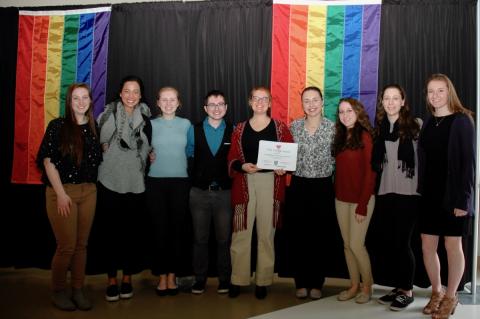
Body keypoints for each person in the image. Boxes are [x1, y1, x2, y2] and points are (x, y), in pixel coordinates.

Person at [36, 83, 102, 311]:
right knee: (66, 246)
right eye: (76, 98)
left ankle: (77, 288)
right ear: (69, 102)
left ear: (91, 101)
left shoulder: (95, 127)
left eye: (85, 97)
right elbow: (47, 161)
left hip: (89, 192)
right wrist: (61, 194)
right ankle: (58, 290)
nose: (81, 102)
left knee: (81, 245)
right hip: (62, 192)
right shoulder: (58, 126)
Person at [227, 86, 293, 299]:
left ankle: (263, 280)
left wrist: (284, 167)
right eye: (256, 98)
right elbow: (231, 158)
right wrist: (241, 166)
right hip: (244, 183)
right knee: (241, 233)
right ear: (250, 102)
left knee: (266, 234)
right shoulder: (239, 129)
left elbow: (289, 156)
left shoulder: (280, 128)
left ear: (271, 102)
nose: (260, 102)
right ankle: (238, 279)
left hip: (270, 182)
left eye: (265, 99)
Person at [418, 74, 475, 319]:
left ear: (449, 91)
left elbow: (468, 164)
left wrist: (464, 200)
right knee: (427, 246)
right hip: (430, 194)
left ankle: (451, 297)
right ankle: (436, 291)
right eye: (431, 91)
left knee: (453, 246)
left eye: (440, 91)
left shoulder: (462, 121)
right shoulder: (430, 123)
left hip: (453, 196)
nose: (435, 96)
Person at [97, 75, 152, 302]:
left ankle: (127, 277)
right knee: (111, 233)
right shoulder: (107, 115)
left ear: (140, 95)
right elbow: (100, 144)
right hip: (110, 181)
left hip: (135, 183)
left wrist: (150, 152)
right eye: (127, 91)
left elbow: (148, 146)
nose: (131, 95)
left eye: (135, 91)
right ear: (120, 93)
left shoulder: (147, 119)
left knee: (130, 233)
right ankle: (111, 279)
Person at [370, 84, 421, 311]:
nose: (390, 102)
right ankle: (399, 287)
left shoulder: (415, 125)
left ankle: (408, 291)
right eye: (386, 99)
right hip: (386, 191)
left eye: (395, 98)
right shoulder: (380, 127)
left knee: (403, 242)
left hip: (409, 193)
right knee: (390, 242)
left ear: (403, 101)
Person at [287, 86, 335, 300]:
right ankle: (301, 282)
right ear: (302, 104)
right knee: (299, 235)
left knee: (320, 235)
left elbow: (338, 158)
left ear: (322, 102)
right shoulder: (294, 127)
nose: (311, 104)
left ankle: (317, 282)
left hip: (323, 186)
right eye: (307, 100)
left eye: (315, 100)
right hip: (298, 186)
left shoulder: (333, 128)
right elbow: (286, 156)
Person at [147, 86, 192, 296]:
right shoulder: (150, 124)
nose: (168, 103)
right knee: (159, 231)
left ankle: (173, 275)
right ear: (157, 103)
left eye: (172, 99)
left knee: (177, 231)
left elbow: (192, 151)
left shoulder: (186, 125)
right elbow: (141, 149)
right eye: (163, 99)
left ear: (178, 102)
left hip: (180, 183)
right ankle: (161, 275)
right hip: (155, 183)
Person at [188, 90, 233, 295]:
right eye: (212, 105)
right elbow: (188, 154)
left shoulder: (234, 130)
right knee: (200, 239)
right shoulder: (193, 130)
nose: (216, 108)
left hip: (224, 193)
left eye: (220, 104)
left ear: (225, 107)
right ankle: (200, 279)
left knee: (224, 239)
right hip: (199, 193)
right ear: (205, 108)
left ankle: (224, 278)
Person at [333, 98, 376, 304]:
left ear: (358, 112)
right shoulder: (341, 136)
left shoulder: (365, 136)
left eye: (349, 111)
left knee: (357, 245)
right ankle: (353, 285)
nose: (345, 115)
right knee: (347, 245)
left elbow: (371, 173)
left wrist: (362, 204)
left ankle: (367, 286)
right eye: (341, 112)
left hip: (362, 201)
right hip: (341, 199)